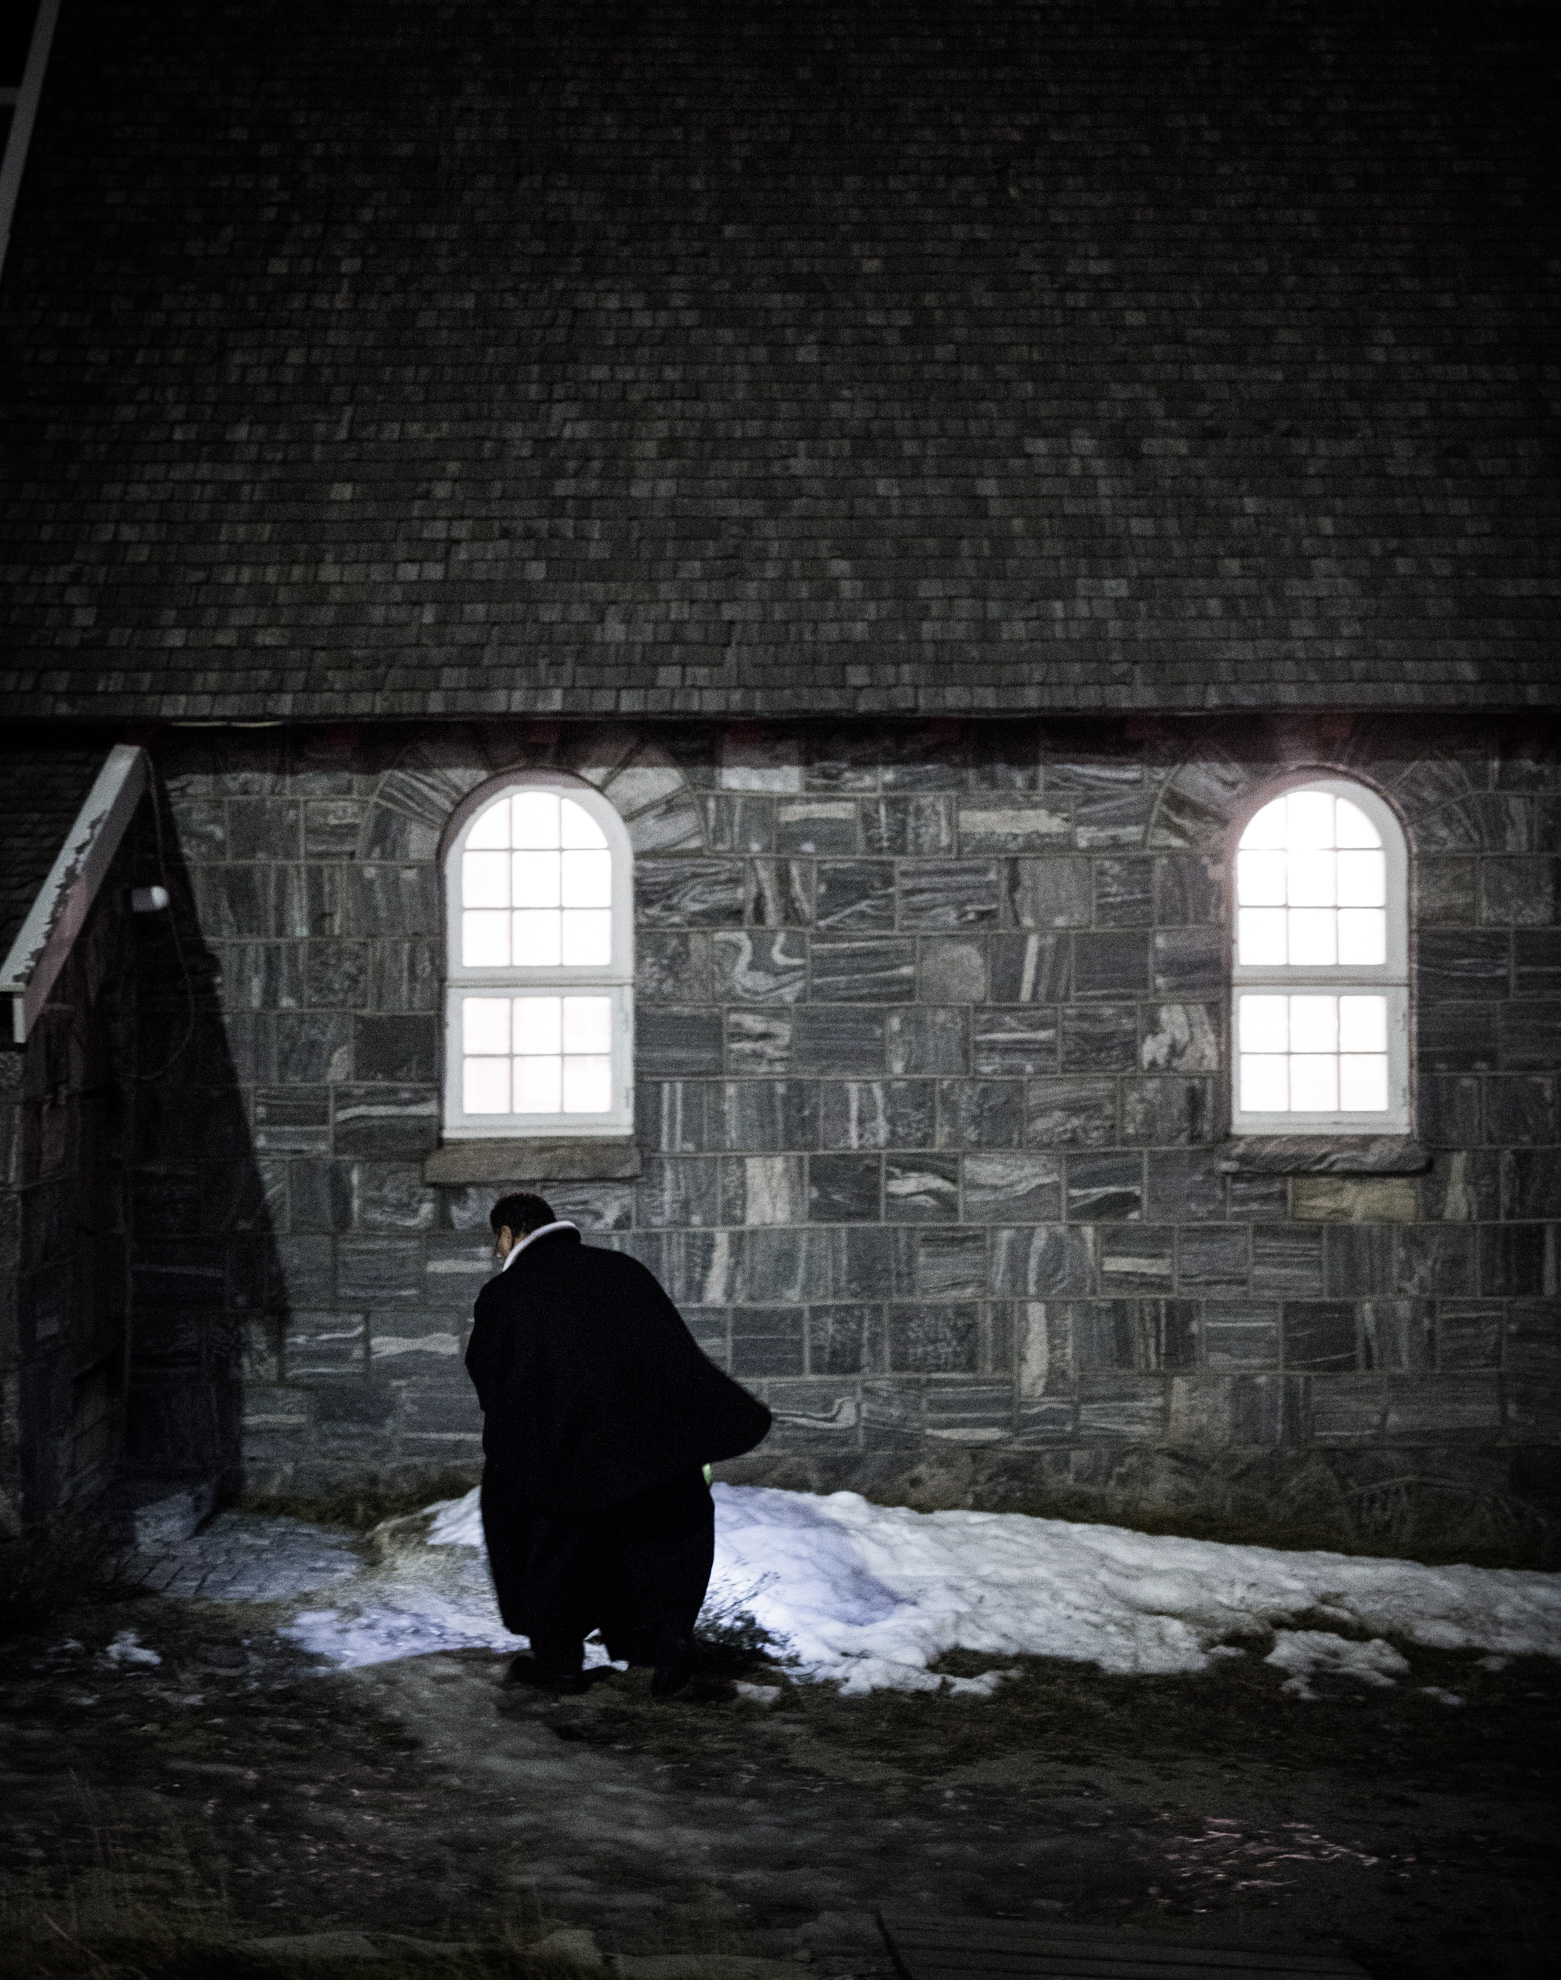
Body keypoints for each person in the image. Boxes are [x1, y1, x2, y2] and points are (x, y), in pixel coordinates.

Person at [464, 1192, 772, 1698]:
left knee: (551, 1545)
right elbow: (670, 1347)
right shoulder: (619, 1269)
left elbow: (494, 1379)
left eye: (496, 1243)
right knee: (659, 1542)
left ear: (508, 1234)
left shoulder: (507, 1293)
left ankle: (560, 1663)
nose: (497, 1254)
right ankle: (665, 1650)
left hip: (567, 1456)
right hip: (652, 1450)